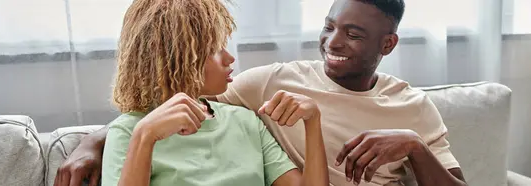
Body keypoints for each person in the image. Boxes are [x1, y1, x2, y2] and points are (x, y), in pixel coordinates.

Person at [54, 0, 467, 186]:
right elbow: (172, 102)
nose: (332, 43)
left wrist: (413, 146)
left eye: (353, 34)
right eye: (329, 26)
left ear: (388, 44)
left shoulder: (415, 107)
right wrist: (93, 140)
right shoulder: (269, 84)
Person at [83, 0, 330, 186]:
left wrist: (313, 120)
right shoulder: (131, 132)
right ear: (172, 55)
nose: (230, 58)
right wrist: (144, 137)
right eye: (214, 49)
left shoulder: (245, 121)